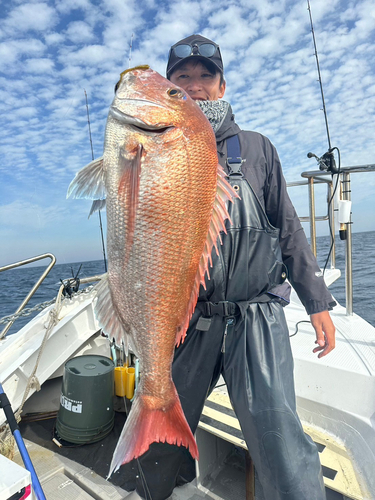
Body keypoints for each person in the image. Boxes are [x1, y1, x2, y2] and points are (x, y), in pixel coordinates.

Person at [125, 34, 336, 500]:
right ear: (168, 87)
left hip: (256, 319)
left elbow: (288, 229)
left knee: (279, 436)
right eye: (182, 79)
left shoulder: (259, 150)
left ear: (222, 87)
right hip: (188, 320)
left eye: (206, 77)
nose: (196, 86)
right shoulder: (152, 147)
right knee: (158, 439)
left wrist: (317, 302)